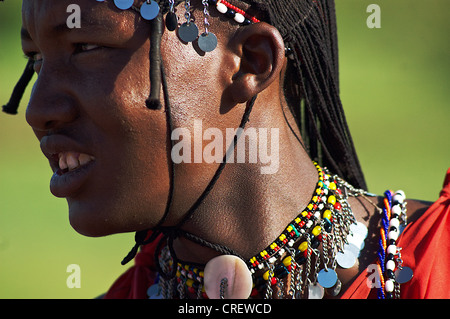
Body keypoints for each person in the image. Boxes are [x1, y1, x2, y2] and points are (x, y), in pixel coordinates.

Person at [4, 0, 449, 299]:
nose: (38, 109)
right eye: (37, 60)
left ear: (250, 62)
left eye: (86, 47)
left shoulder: (436, 265)